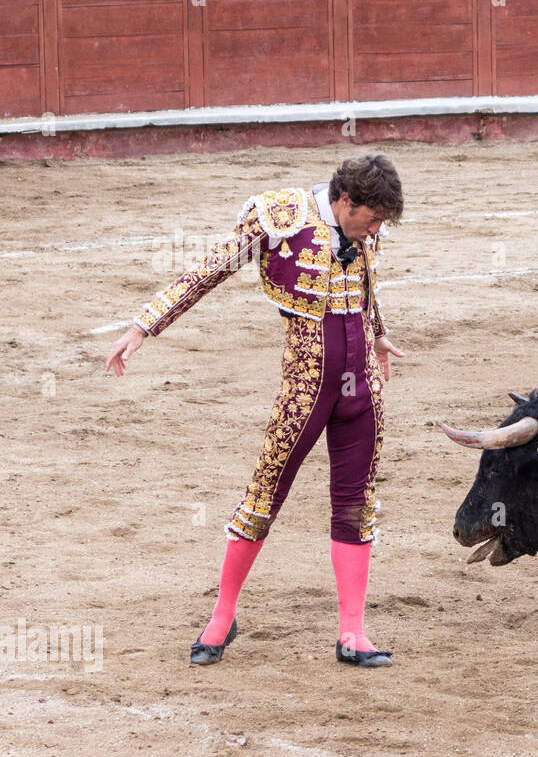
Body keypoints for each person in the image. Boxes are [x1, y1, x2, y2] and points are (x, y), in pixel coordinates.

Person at [105, 154, 407, 669]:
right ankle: (222, 616)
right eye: (372, 218)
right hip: (306, 385)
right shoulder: (279, 217)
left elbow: (365, 285)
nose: (376, 230)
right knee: (264, 494)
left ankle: (353, 633)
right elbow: (210, 270)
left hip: (362, 391)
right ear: (345, 201)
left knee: (356, 503)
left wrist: (378, 336)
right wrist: (144, 326)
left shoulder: (363, 229)